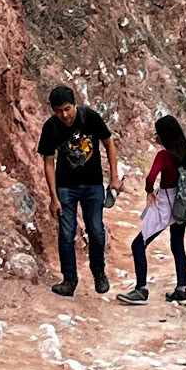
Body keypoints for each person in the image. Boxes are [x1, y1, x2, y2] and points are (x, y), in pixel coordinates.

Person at [37, 84, 122, 297]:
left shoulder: (90, 117)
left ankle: (99, 273)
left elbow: (109, 143)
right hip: (66, 187)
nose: (64, 115)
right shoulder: (51, 127)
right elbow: (48, 162)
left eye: (67, 109)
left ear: (75, 105)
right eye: (58, 111)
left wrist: (114, 176)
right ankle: (69, 280)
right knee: (66, 234)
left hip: (93, 185)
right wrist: (53, 197)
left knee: (96, 230)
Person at [117, 115, 186, 307]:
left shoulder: (164, 155)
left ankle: (141, 289)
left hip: (165, 202)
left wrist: (149, 192)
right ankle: (181, 289)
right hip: (182, 202)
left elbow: (151, 177)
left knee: (138, 244)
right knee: (177, 244)